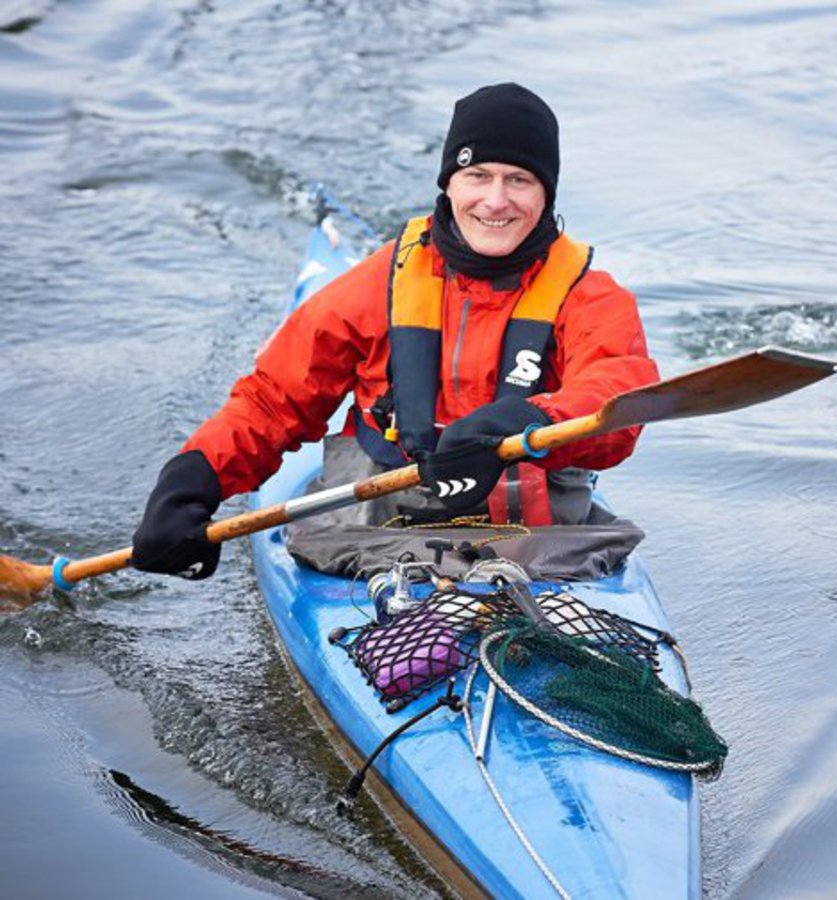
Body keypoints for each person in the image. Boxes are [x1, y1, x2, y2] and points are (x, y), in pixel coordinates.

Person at [132, 83, 660, 580]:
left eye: (518, 180)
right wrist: (193, 481)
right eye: (478, 176)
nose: (496, 201)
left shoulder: (591, 297)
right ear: (449, 184)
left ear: (546, 193)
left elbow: (619, 399)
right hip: (379, 536)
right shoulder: (374, 287)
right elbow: (273, 403)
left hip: (537, 544)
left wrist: (529, 419)